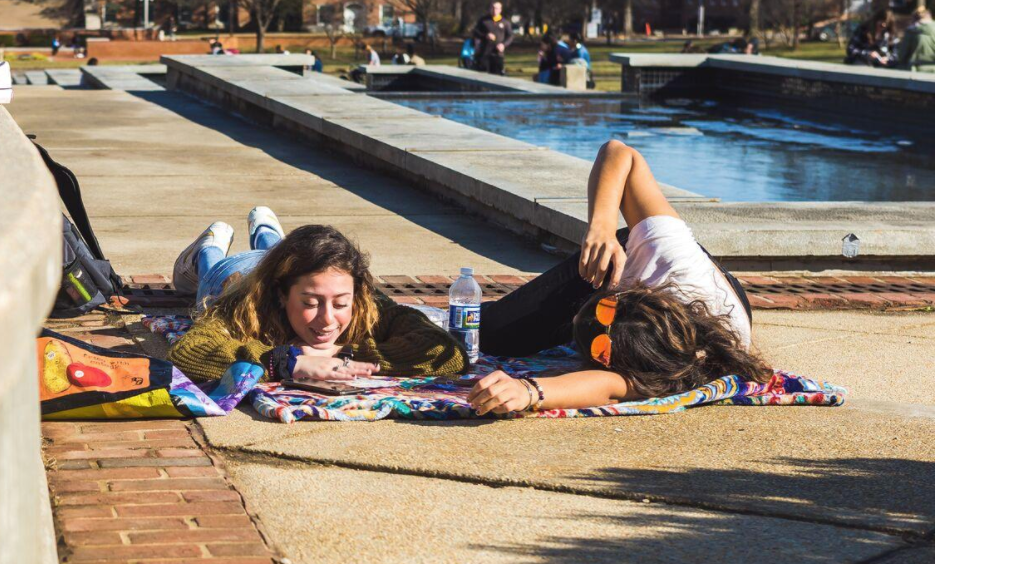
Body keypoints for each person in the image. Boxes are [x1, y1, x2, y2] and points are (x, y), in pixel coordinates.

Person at [466, 138, 772, 415]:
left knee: (505, 340)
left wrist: (529, 391)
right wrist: (602, 229)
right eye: (607, 302)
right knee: (492, 331)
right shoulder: (667, 256)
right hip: (657, 269)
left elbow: (608, 386)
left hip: (677, 328)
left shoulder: (674, 369)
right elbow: (619, 152)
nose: (574, 319)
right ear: (634, 291)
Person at [167, 209, 465, 388]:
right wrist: (283, 363)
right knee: (211, 270)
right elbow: (188, 353)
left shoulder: (365, 300)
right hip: (233, 275)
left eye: (340, 303)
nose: (327, 319)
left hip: (285, 263)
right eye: (310, 303)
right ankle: (209, 245)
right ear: (281, 294)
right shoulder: (247, 302)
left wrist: (340, 356)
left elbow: (447, 353)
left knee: (280, 252)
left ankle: (267, 233)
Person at [472, 0, 511, 74]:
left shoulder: (505, 22)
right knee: (482, 75)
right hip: (484, 53)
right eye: (493, 8)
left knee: (497, 76)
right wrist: (485, 35)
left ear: (500, 10)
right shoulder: (483, 21)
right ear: (490, 9)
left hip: (497, 54)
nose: (494, 10)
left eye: (496, 8)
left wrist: (503, 44)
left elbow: (510, 36)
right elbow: (475, 32)